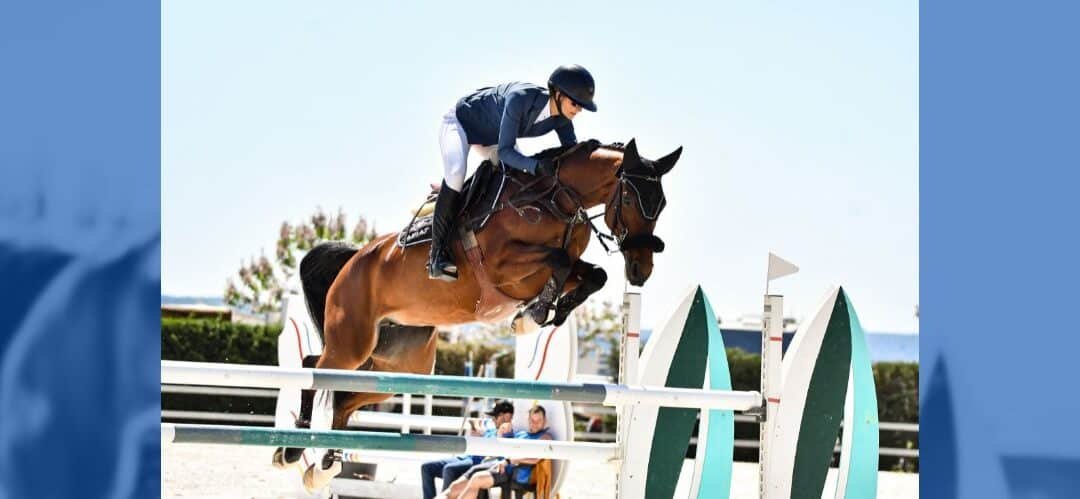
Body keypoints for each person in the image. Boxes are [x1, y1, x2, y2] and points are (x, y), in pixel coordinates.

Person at [428, 65, 598, 282]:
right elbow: (505, 151)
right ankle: (437, 255)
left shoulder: (563, 119)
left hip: (491, 137)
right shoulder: (521, 99)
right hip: (461, 123)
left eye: (582, 106)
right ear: (558, 94)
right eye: (575, 103)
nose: (578, 110)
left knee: (517, 178)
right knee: (455, 173)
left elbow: (571, 155)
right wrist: (536, 165)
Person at [438, 405, 554, 499]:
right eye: (532, 420)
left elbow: (536, 458)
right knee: (454, 487)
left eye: (539, 420)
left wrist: (509, 460)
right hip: (492, 463)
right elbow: (502, 445)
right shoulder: (521, 434)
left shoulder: (545, 437)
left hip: (506, 470)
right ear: (528, 420)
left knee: (476, 479)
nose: (535, 423)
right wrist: (503, 432)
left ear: (545, 421)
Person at [420, 400, 515, 499]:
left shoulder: (507, 432)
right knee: (426, 467)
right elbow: (483, 435)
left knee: (449, 469)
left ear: (505, 416)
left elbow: (501, 449)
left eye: (496, 417)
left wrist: (502, 430)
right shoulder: (491, 430)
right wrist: (477, 432)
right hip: (466, 457)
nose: (493, 420)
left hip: (477, 461)